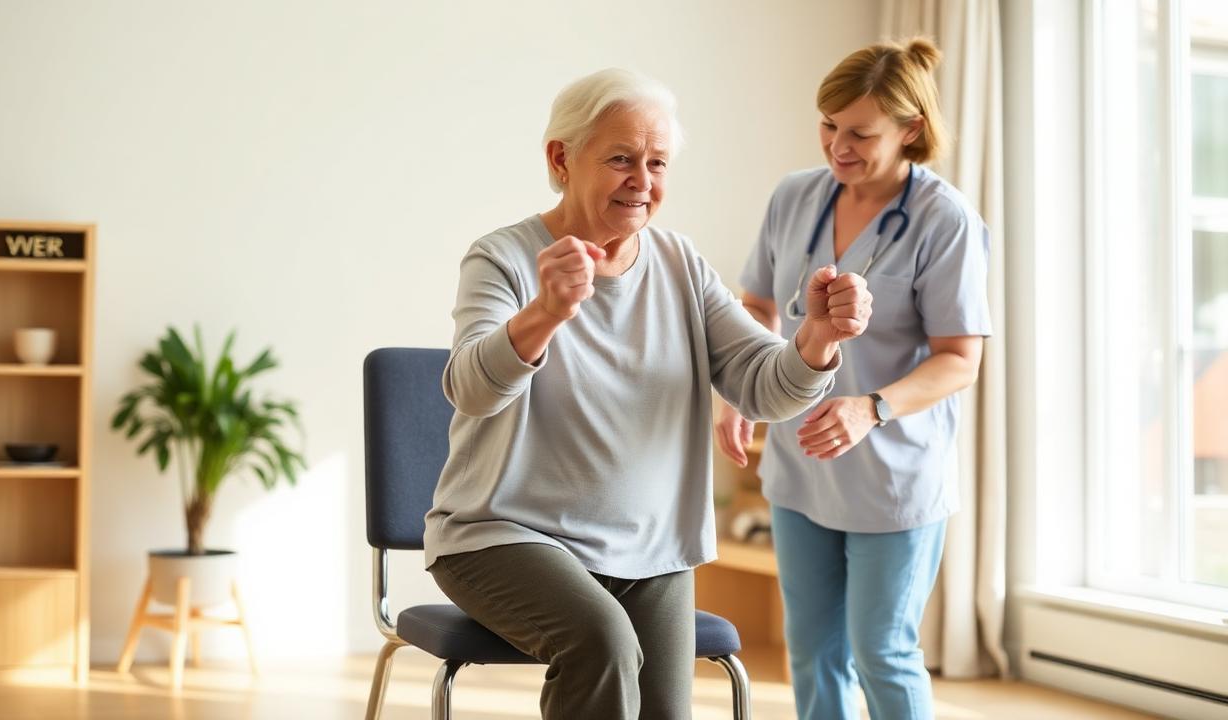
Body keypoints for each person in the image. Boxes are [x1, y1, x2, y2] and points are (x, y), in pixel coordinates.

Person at [423, 68, 873, 720]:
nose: (642, 180)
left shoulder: (680, 264)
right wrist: (544, 313)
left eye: (657, 162)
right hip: (502, 537)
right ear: (561, 159)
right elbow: (470, 388)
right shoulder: (504, 258)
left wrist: (817, 339)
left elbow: (764, 388)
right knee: (602, 642)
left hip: (650, 550)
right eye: (620, 159)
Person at [714, 38, 992, 720]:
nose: (837, 146)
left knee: (882, 653)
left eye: (860, 133)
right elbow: (757, 305)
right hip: (800, 464)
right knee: (812, 651)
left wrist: (871, 408)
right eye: (828, 125)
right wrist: (736, 390)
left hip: (894, 475)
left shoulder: (945, 221)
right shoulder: (795, 196)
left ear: (910, 130)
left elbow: (961, 357)